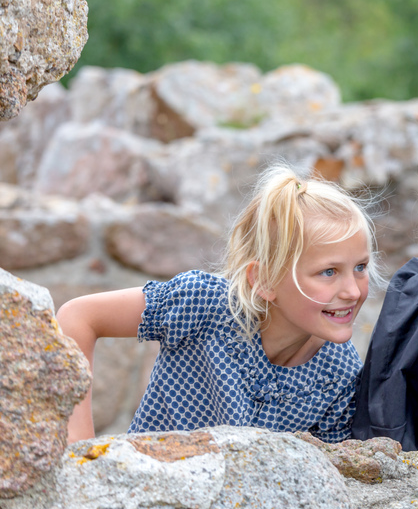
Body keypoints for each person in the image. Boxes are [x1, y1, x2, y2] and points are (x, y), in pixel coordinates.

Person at [60, 164, 380, 444]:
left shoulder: (340, 370)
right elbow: (78, 317)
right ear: (265, 280)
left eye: (360, 268)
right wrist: (79, 448)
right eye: (329, 272)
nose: (352, 291)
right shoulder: (203, 304)